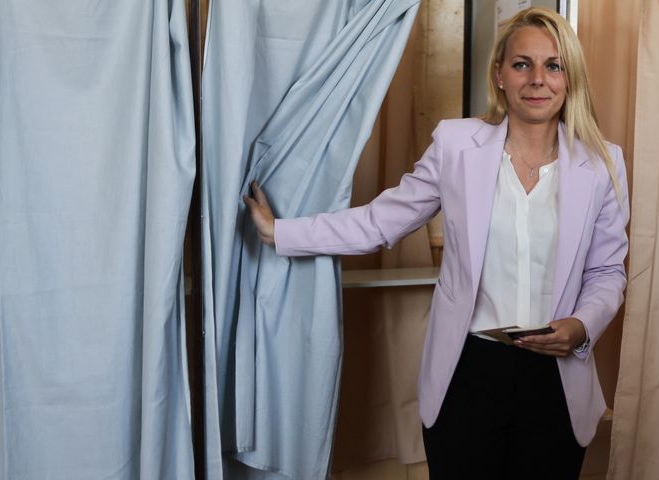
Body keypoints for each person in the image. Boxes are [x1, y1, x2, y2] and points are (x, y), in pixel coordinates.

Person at [243, 7, 629, 480]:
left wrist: (581, 325)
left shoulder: (603, 164)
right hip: (468, 373)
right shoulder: (455, 144)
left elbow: (607, 272)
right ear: (500, 74)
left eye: (554, 65)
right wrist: (278, 232)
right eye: (522, 63)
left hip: (558, 379)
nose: (537, 79)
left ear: (570, 78)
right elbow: (380, 221)